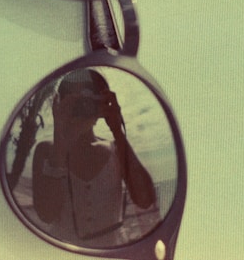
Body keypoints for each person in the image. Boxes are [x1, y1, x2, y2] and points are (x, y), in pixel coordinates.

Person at [31, 69, 156, 246]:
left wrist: (117, 129)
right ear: (60, 105)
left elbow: (145, 200)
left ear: (101, 105)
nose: (82, 108)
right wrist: (60, 141)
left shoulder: (116, 149)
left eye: (88, 101)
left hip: (113, 252)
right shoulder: (47, 150)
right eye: (75, 102)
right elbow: (46, 214)